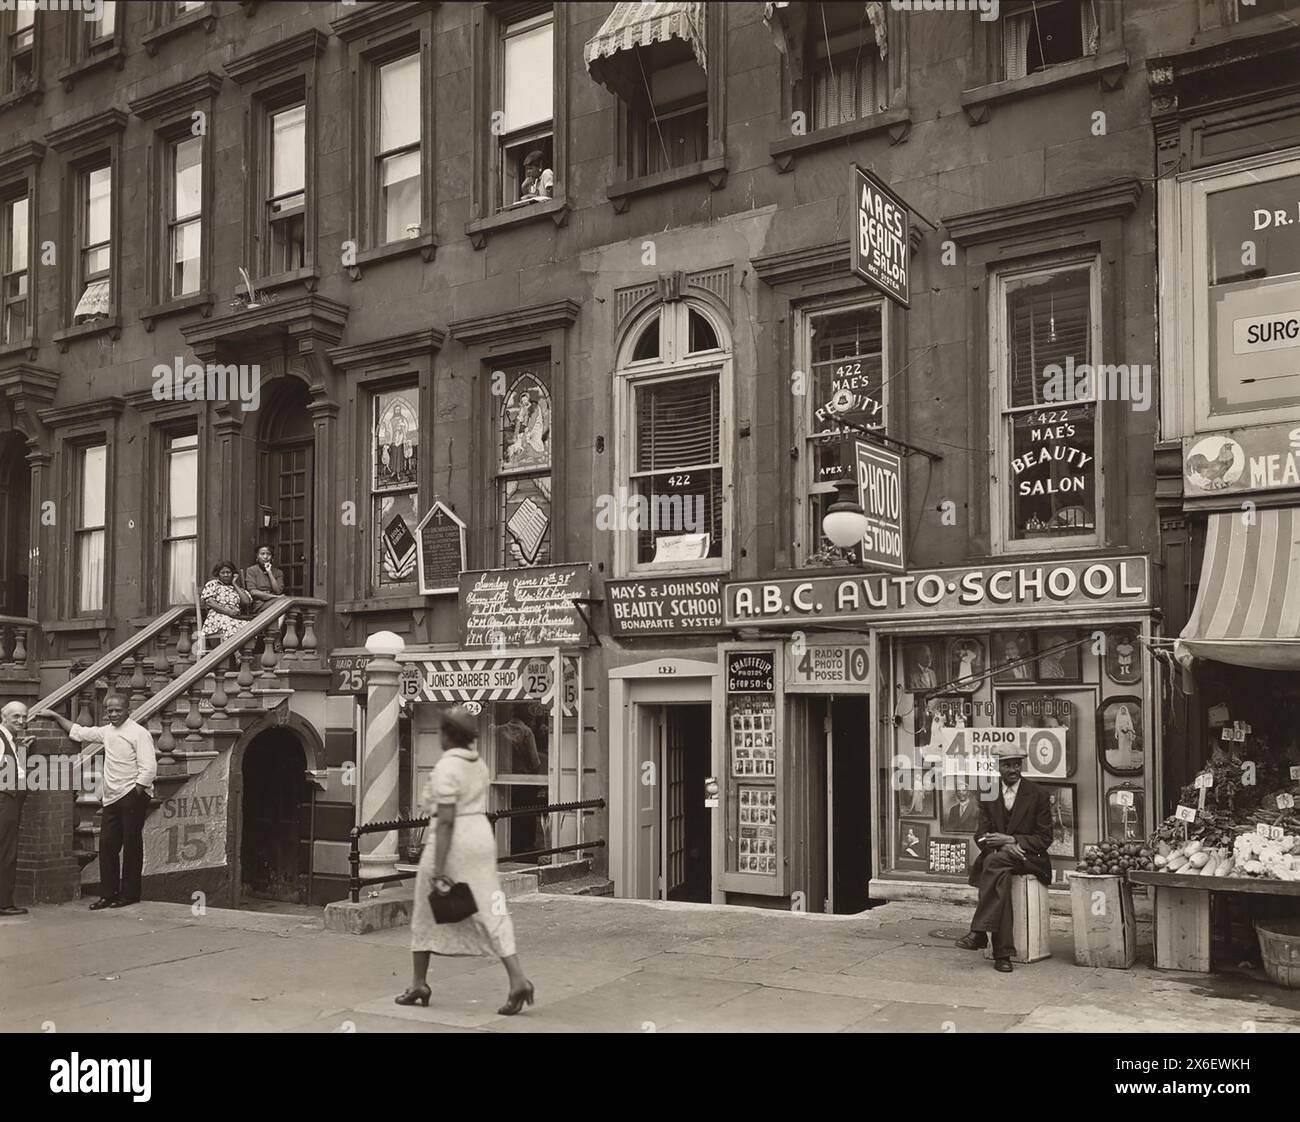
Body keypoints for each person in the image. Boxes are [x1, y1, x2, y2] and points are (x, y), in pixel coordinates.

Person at [397, 705, 535, 1015]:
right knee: (492, 906)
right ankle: (517, 978)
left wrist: (439, 867)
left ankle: (419, 982)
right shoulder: (479, 763)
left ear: (447, 735)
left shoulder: (447, 767)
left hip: (454, 839)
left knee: (424, 907)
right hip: (481, 837)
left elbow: (445, 821)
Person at [30, 695, 157, 909]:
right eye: (110, 710)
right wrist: (54, 715)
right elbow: (79, 732)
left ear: (128, 710)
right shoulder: (107, 731)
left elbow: (149, 769)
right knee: (107, 845)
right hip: (111, 797)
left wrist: (134, 793)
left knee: (132, 844)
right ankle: (108, 894)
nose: (114, 714)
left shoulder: (139, 733)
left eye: (118, 710)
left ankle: (130, 894)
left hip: (132, 796)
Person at [954, 744, 1052, 972]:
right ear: (998, 766)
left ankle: (979, 933)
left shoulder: (1038, 794)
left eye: (1017, 764)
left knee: (992, 864)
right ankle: (1002, 955)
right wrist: (1000, 847)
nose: (1013, 769)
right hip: (1001, 858)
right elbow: (980, 835)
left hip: (1030, 858)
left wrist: (1011, 841)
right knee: (1000, 877)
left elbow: (1045, 838)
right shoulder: (989, 793)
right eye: (1007, 764)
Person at [0, 701, 30, 916]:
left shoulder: (8, 739)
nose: (21, 721)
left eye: (24, 717)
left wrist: (21, 750)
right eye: (16, 717)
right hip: (5, 799)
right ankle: (4, 904)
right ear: (4, 717)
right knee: (6, 852)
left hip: (9, 798)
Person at [200, 560, 253, 642]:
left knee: (249, 626)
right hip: (217, 617)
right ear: (218, 574)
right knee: (230, 625)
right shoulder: (213, 584)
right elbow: (210, 602)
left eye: (228, 572)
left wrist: (235, 584)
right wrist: (227, 611)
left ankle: (243, 652)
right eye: (223, 573)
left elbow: (246, 602)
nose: (226, 575)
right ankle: (236, 653)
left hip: (235, 617)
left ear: (233, 574)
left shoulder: (237, 588)